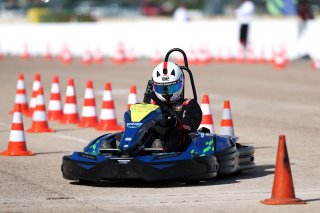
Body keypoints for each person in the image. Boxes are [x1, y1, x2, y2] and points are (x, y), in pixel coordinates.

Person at [143, 62, 202, 152]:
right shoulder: (152, 102)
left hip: (178, 146)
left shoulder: (189, 105)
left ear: (180, 83)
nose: (166, 93)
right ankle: (126, 150)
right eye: (161, 89)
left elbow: (190, 127)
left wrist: (175, 122)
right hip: (149, 142)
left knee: (172, 132)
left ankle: (165, 157)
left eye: (171, 88)